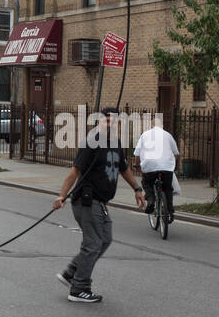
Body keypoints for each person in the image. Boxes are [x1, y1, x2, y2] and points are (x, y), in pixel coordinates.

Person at [52, 108, 146, 303]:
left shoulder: (116, 143)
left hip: (100, 201)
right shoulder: (92, 142)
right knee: (93, 243)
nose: (110, 124)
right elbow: (74, 171)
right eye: (106, 121)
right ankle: (79, 288)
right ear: (99, 122)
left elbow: (124, 169)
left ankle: (72, 272)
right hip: (87, 200)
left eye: (114, 121)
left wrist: (137, 189)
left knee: (105, 239)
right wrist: (61, 196)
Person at [134, 121, 180, 222]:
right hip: (166, 167)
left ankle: (151, 200)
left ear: (151, 126)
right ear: (162, 126)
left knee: (146, 183)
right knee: (168, 188)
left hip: (149, 166)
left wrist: (137, 165)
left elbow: (137, 154)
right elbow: (176, 153)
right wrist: (172, 164)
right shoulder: (168, 135)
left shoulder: (145, 135)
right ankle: (170, 210)